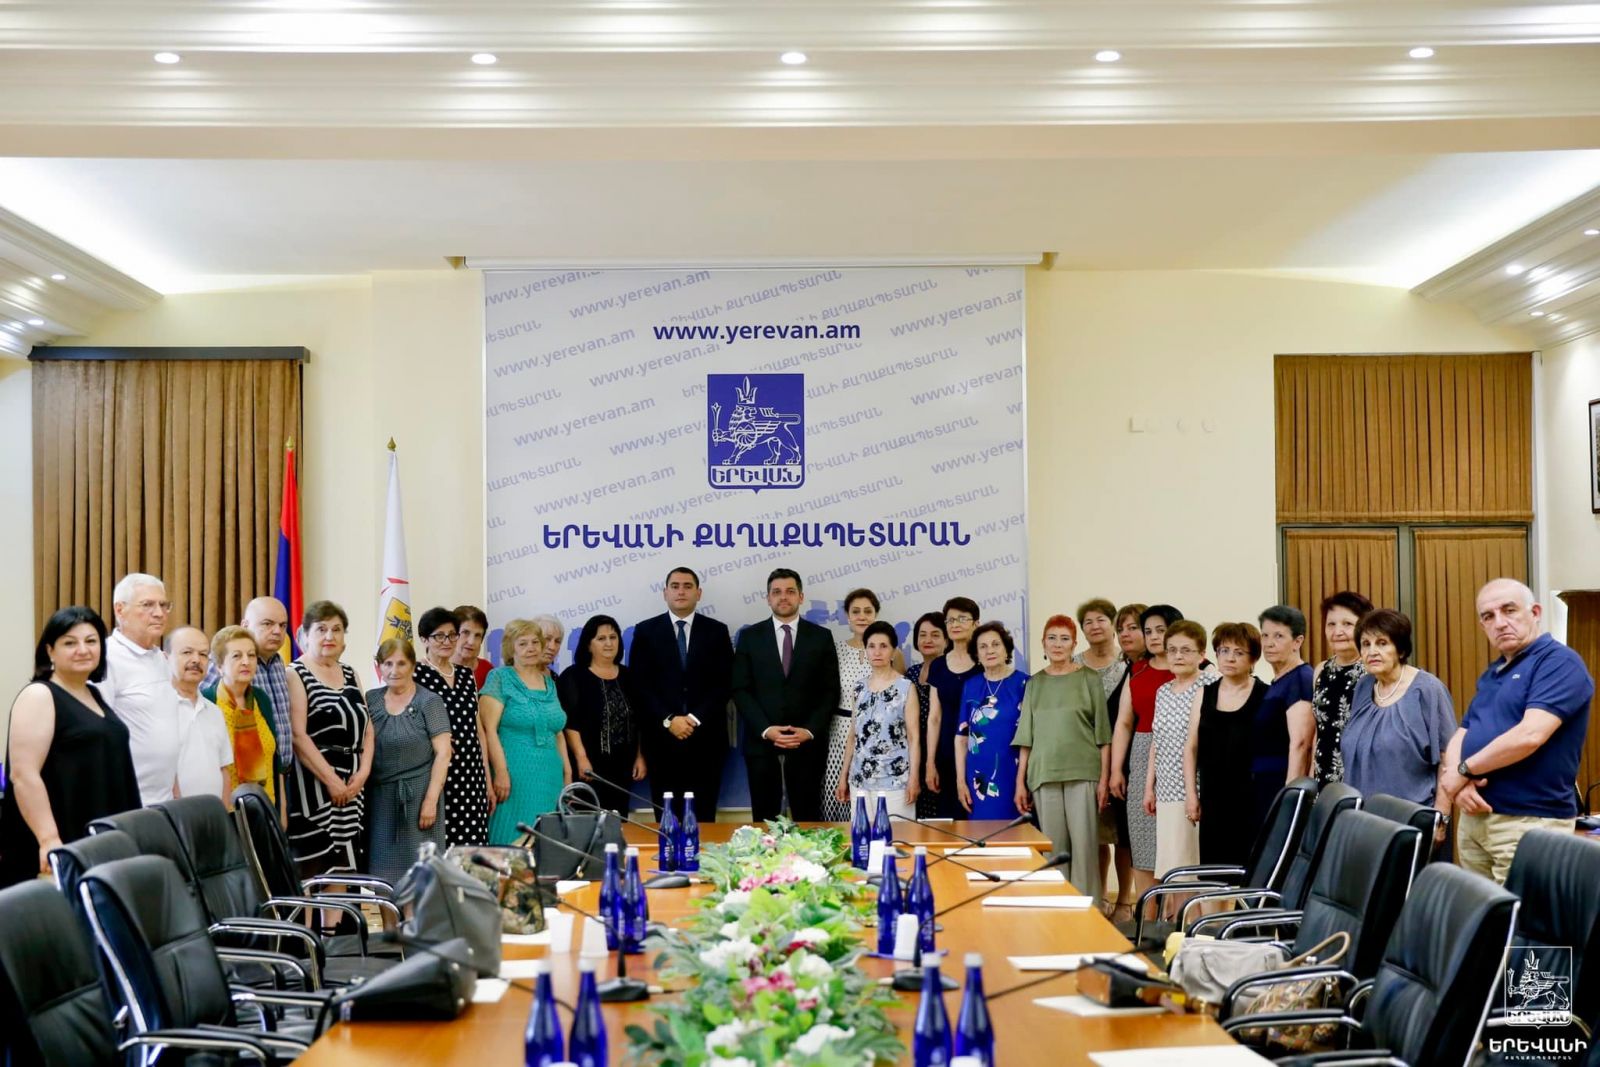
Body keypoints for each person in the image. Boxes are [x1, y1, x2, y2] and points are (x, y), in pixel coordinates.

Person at [1441, 579, 1595, 884]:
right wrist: (1458, 784)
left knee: (1523, 914)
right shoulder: (1493, 673)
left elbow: (1529, 736)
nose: (1499, 622)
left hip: (1529, 822)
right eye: (1488, 616)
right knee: (1479, 912)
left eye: (1509, 610)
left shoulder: (1559, 663)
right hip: (1476, 818)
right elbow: (1463, 731)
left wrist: (1463, 771)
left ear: (1535, 612)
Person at [0, 607, 140, 887]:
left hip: (99, 836)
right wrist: (49, 839)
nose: (83, 650)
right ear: (50, 651)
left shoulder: (93, 693)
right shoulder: (39, 695)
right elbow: (24, 775)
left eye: (91, 641)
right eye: (70, 642)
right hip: (61, 841)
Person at [731, 569, 840, 823]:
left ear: (801, 597)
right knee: (764, 822)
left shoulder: (821, 637)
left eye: (790, 591)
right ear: (768, 598)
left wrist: (809, 730)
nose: (783, 597)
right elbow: (740, 689)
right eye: (777, 592)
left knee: (808, 818)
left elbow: (830, 691)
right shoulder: (750, 636)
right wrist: (766, 729)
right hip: (761, 743)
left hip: (807, 744)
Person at [1016, 614, 1110, 902]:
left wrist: (1104, 780)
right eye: (1052, 638)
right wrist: (1020, 783)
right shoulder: (1035, 683)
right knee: (1054, 850)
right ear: (1043, 643)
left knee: (1085, 848)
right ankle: (1059, 910)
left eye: (1064, 638)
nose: (1058, 644)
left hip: (1084, 772)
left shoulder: (1089, 679)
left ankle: (1089, 911)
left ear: (1074, 644)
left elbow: (1103, 735)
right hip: (1043, 774)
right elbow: (1026, 737)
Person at [628, 566, 733, 822]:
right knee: (667, 819)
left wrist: (694, 719)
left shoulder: (717, 631)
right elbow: (640, 685)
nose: (681, 591)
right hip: (661, 741)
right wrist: (669, 720)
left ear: (699, 593)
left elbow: (725, 683)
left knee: (704, 818)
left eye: (687, 586)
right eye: (675, 586)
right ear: (665, 593)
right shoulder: (646, 631)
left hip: (706, 740)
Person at [1340, 610, 1455, 840]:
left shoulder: (1428, 689)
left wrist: (1441, 819)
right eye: (1366, 644)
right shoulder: (1363, 687)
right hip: (1362, 821)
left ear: (1401, 649)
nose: (1372, 651)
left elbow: (1448, 758)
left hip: (1412, 823)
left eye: (1382, 643)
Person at [288, 601, 373, 878]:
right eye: (321, 629)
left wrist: (363, 773)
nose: (329, 636)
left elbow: (368, 728)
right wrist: (332, 781)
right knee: (314, 873)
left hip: (352, 787)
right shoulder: (295, 673)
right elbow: (298, 735)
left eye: (336, 629)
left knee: (344, 870)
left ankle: (338, 911)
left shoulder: (350, 673)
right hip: (315, 788)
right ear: (305, 634)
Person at [365, 639, 452, 883]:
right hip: (380, 801)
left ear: (413, 666)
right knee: (382, 877)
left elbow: (444, 753)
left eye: (401, 663)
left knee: (422, 877)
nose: (394, 670)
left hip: (420, 798)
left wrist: (430, 801)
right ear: (379, 667)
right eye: (388, 663)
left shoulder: (430, 701)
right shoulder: (370, 699)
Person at [1109, 604, 1181, 898]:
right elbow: (1124, 722)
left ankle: (1176, 915)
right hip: (1140, 754)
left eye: (1160, 630)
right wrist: (1116, 769)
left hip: (1181, 757)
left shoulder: (1198, 668)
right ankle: (1145, 914)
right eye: (1148, 631)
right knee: (1142, 840)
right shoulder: (1137, 670)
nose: (1153, 637)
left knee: (1177, 843)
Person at [206, 597, 306, 798]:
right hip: (232, 786)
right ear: (245, 625)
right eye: (268, 624)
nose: (277, 631)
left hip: (279, 777)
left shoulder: (279, 663)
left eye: (282, 625)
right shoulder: (225, 665)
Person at [1185, 623, 1267, 867]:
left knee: (1251, 870)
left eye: (1239, 652)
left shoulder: (1266, 694)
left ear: (1253, 658)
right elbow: (1191, 747)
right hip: (1213, 796)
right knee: (1214, 871)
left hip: (1252, 796)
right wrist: (1192, 795)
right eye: (1224, 650)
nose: (1230, 658)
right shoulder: (1204, 693)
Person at [483, 618, 571, 844]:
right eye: (523, 643)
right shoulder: (499, 677)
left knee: (547, 843)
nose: (531, 648)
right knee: (510, 838)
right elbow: (488, 730)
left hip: (550, 776)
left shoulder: (549, 682)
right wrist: (500, 772)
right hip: (515, 775)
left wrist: (568, 773)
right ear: (510, 648)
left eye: (535, 642)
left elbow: (558, 731)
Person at [822, 588, 905, 821]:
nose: (862, 616)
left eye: (868, 611)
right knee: (836, 794)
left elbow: (900, 697)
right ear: (847, 616)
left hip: (880, 737)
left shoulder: (893, 653)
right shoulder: (836, 649)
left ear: (875, 614)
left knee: (873, 803)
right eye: (856, 611)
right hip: (840, 731)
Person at [415, 606, 491, 847]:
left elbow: (478, 730)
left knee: (471, 848)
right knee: (439, 846)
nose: (447, 641)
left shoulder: (466, 675)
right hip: (437, 772)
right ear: (424, 639)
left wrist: (487, 778)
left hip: (472, 773)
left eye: (452, 635)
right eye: (439, 636)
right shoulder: (416, 674)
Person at [99, 572, 178, 806]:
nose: (159, 613)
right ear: (120, 610)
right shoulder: (105, 658)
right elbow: (98, 734)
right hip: (125, 801)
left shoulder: (160, 659)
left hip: (163, 798)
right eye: (148, 605)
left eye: (163, 605)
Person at [559, 614, 647, 817]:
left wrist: (640, 756)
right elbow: (570, 723)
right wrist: (581, 758)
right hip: (588, 767)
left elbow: (640, 721)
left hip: (623, 767)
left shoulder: (629, 676)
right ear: (588, 645)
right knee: (586, 823)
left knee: (617, 823)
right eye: (601, 638)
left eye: (613, 637)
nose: (609, 643)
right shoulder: (574, 676)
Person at [834, 620, 921, 818]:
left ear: (893, 651)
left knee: (897, 835)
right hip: (859, 780)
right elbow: (853, 736)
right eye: (871, 646)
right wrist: (843, 775)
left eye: (883, 646)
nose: (877, 652)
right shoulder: (859, 688)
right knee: (862, 834)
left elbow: (914, 738)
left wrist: (914, 778)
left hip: (895, 780)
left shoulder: (906, 687)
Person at [1145, 620, 1209, 877]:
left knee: (1193, 866)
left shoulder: (1210, 684)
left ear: (1202, 654)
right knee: (1172, 866)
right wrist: (1149, 787)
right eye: (1172, 650)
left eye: (1186, 650)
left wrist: (1193, 794)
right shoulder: (1163, 691)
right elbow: (1157, 740)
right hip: (1166, 790)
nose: (1178, 656)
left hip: (1196, 788)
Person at [1073, 598, 1124, 907]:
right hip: (1085, 756)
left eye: (1101, 620)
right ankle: (1101, 895)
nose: (1094, 626)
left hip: (1123, 755)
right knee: (1095, 832)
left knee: (1123, 835)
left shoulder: (1127, 662)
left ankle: (1125, 901)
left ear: (1113, 624)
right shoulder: (1074, 664)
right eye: (1088, 622)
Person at [1098, 602, 1147, 921]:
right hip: (1123, 764)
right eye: (1121, 629)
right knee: (1123, 837)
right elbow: (1120, 723)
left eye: (1133, 628)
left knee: (1138, 842)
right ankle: (1127, 903)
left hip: (1146, 765)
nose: (1125, 634)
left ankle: (1133, 905)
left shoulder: (1156, 668)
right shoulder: (1130, 669)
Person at [955, 621, 1029, 819]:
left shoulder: (1024, 683)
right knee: (980, 833)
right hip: (978, 776)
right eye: (983, 646)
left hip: (1014, 774)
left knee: (1016, 833)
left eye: (996, 644)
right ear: (977, 654)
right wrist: (960, 781)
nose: (990, 650)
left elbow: (1029, 738)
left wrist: (1022, 781)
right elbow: (961, 737)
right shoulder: (971, 686)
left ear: (1006, 649)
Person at [1253, 605, 1316, 834]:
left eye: (1278, 636)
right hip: (1264, 782)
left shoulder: (1300, 678)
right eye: (1265, 636)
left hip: (1281, 784)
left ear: (1297, 641)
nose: (1269, 643)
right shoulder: (1279, 681)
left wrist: (1289, 799)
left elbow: (1301, 744)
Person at [202, 627, 280, 812]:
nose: (246, 662)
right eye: (237, 656)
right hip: (226, 812)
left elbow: (275, 760)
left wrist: (281, 811)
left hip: (266, 809)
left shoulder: (261, 699)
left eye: (251, 655)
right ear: (219, 666)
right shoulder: (207, 702)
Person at [925, 596, 982, 818]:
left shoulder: (985, 662)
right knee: (948, 820)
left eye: (962, 619)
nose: (955, 624)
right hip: (946, 753)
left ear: (976, 624)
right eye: (950, 620)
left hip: (979, 751)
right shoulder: (938, 665)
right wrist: (930, 762)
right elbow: (934, 717)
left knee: (979, 819)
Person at [1310, 591, 1374, 785]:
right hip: (1323, 773)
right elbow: (1318, 730)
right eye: (1331, 624)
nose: (1337, 632)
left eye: (1347, 624)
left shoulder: (1373, 671)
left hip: (1360, 775)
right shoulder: (1321, 670)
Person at [167, 626, 235, 804]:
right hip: (171, 814)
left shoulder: (214, 711)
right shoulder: (157, 710)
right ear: (166, 658)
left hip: (213, 815)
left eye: (203, 654)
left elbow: (224, 769)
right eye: (187, 652)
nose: (196, 660)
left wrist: (223, 813)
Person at [904, 612, 949, 818]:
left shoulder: (951, 672)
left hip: (942, 751)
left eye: (935, 634)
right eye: (922, 635)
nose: (928, 640)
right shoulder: (911, 673)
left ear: (946, 639)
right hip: (914, 753)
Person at [452, 605, 494, 690]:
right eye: (465, 632)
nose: (471, 642)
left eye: (477, 635)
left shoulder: (488, 670)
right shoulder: (435, 670)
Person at [534, 614, 567, 678]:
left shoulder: (555, 678)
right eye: (547, 639)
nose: (552, 647)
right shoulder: (514, 676)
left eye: (557, 641)